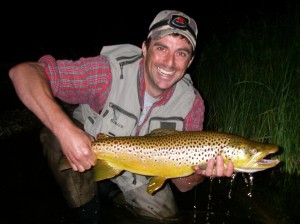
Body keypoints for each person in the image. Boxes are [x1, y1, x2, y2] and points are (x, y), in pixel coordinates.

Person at [9, 9, 234, 224]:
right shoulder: (107, 73)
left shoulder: (192, 104)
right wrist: (65, 130)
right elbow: (23, 73)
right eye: (161, 48)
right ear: (145, 49)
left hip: (140, 170)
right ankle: (85, 214)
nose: (169, 62)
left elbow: (184, 185)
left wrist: (202, 172)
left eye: (181, 53)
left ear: (190, 61)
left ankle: (111, 193)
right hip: (87, 148)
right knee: (55, 138)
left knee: (165, 219)